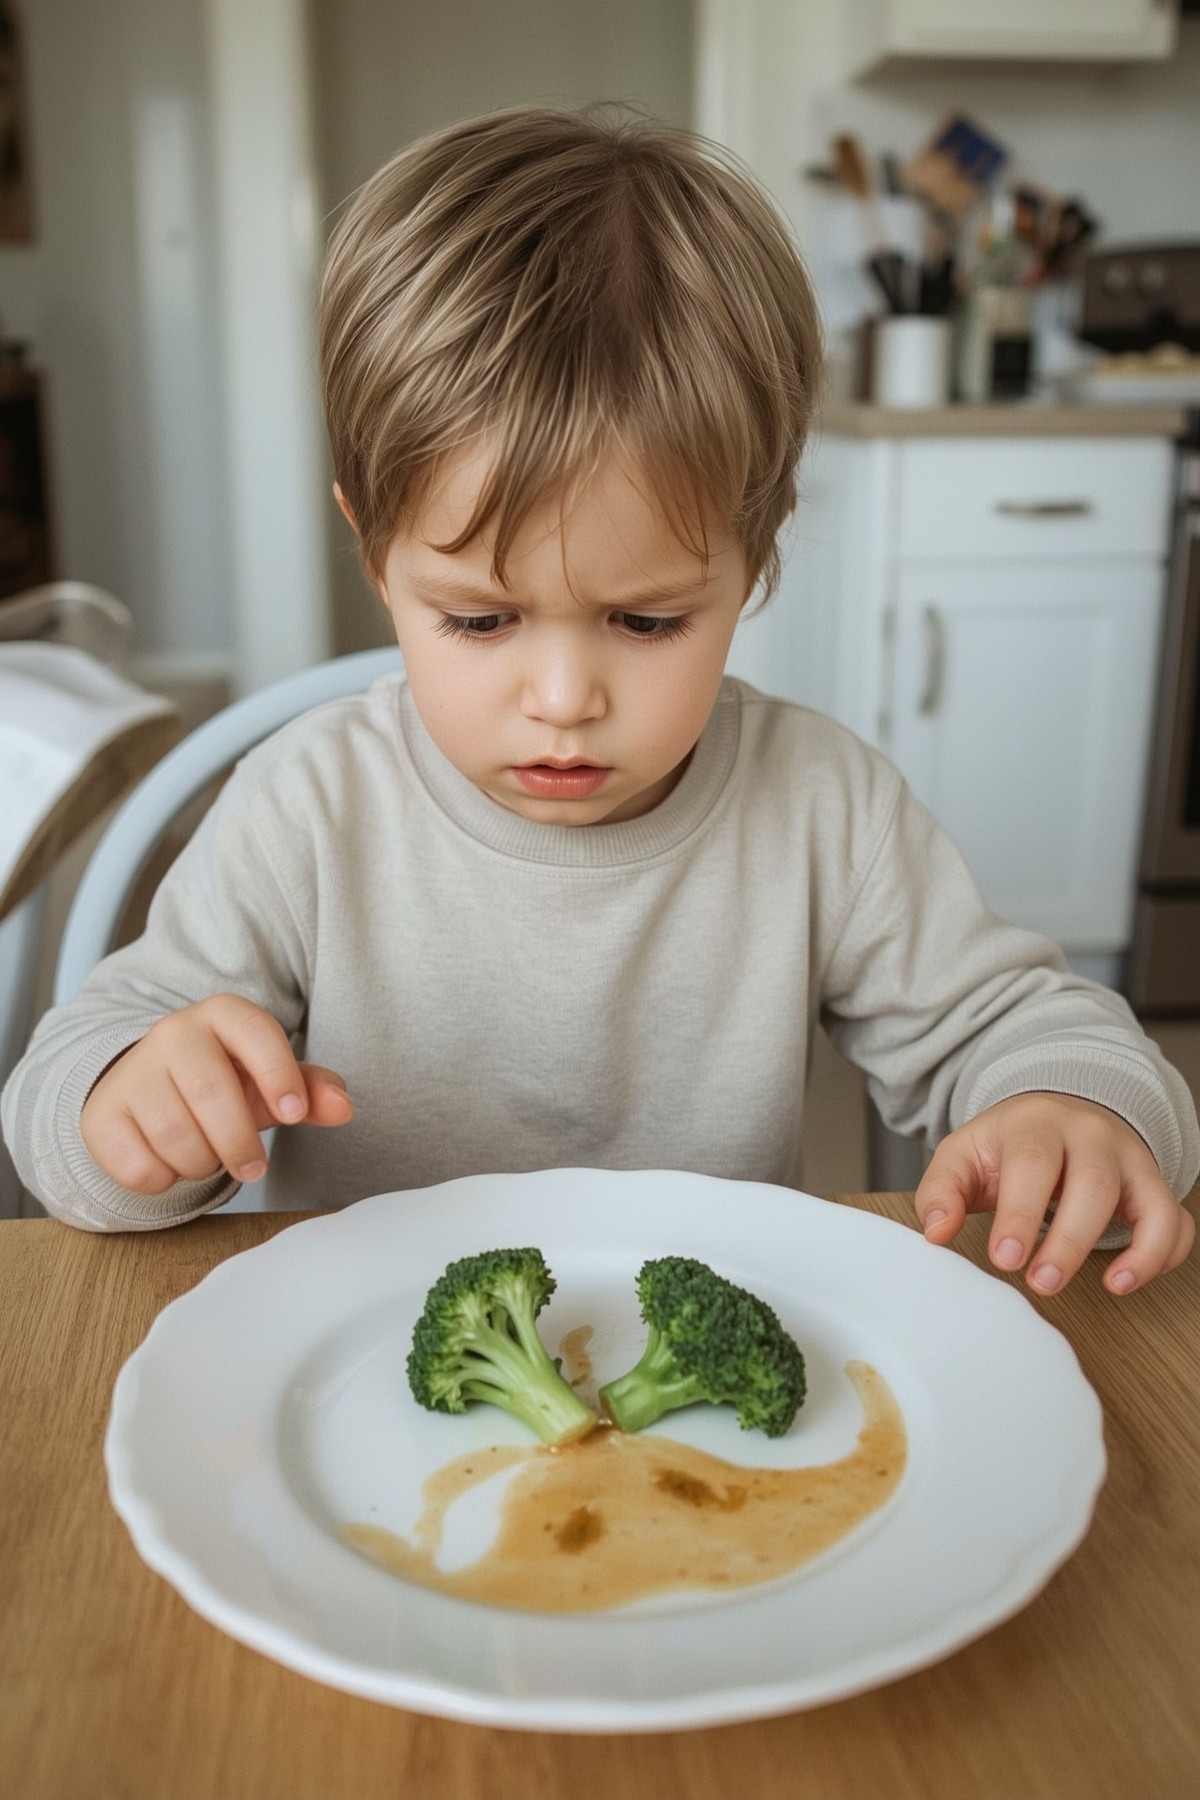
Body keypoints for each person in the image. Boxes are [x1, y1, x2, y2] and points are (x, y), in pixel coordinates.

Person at [3, 106, 1196, 1299]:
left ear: (756, 557)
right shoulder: (309, 805)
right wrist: (136, 1113)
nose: (564, 701)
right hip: (362, 1388)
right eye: (478, 620)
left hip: (704, 1430)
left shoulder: (825, 807)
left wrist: (1073, 1107)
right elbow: (68, 1098)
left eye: (646, 622)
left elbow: (1019, 1021)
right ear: (376, 556)